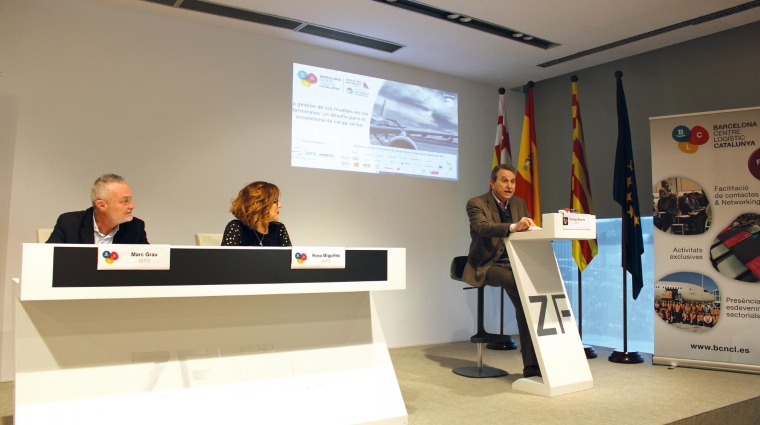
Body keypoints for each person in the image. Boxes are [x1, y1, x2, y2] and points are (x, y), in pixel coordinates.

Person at [463, 164, 539, 378]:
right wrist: (514, 227)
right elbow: (483, 227)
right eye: (504, 181)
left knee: (527, 302)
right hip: (487, 264)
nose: (509, 185)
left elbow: (526, 230)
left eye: (513, 181)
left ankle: (533, 363)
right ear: (492, 183)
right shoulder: (476, 203)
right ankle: (531, 365)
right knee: (519, 289)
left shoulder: (519, 203)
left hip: (517, 263)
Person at [46, 174, 148, 244]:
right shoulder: (69, 223)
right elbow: (47, 258)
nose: (132, 206)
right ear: (101, 205)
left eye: (130, 199)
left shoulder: (135, 227)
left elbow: (148, 267)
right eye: (125, 201)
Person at [222, 181, 291, 247]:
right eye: (275, 201)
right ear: (259, 205)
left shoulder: (279, 229)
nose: (280, 205)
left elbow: (290, 258)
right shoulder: (236, 227)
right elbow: (227, 257)